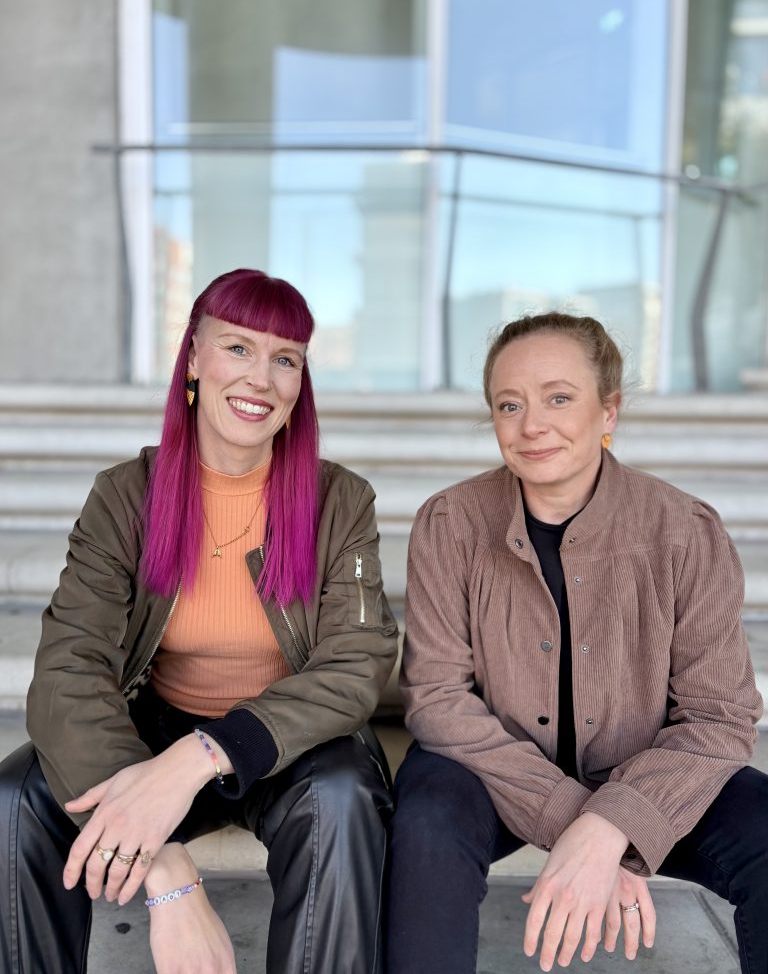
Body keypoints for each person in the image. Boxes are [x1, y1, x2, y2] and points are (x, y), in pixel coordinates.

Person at [0, 268, 398, 974]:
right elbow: (69, 669)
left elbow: (357, 664)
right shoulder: (126, 496)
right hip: (154, 726)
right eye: (238, 348)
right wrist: (164, 870)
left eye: (285, 359)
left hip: (289, 738)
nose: (262, 379)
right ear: (192, 358)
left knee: (342, 800)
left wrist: (205, 753)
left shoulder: (341, 500)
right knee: (15, 801)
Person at [386, 313, 766, 974]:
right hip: (495, 776)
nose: (533, 425)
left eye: (559, 398)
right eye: (510, 405)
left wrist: (614, 825)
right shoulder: (450, 523)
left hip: (649, 774)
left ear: (608, 410)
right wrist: (577, 821)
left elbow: (720, 718)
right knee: (425, 818)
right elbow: (437, 699)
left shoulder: (685, 531)